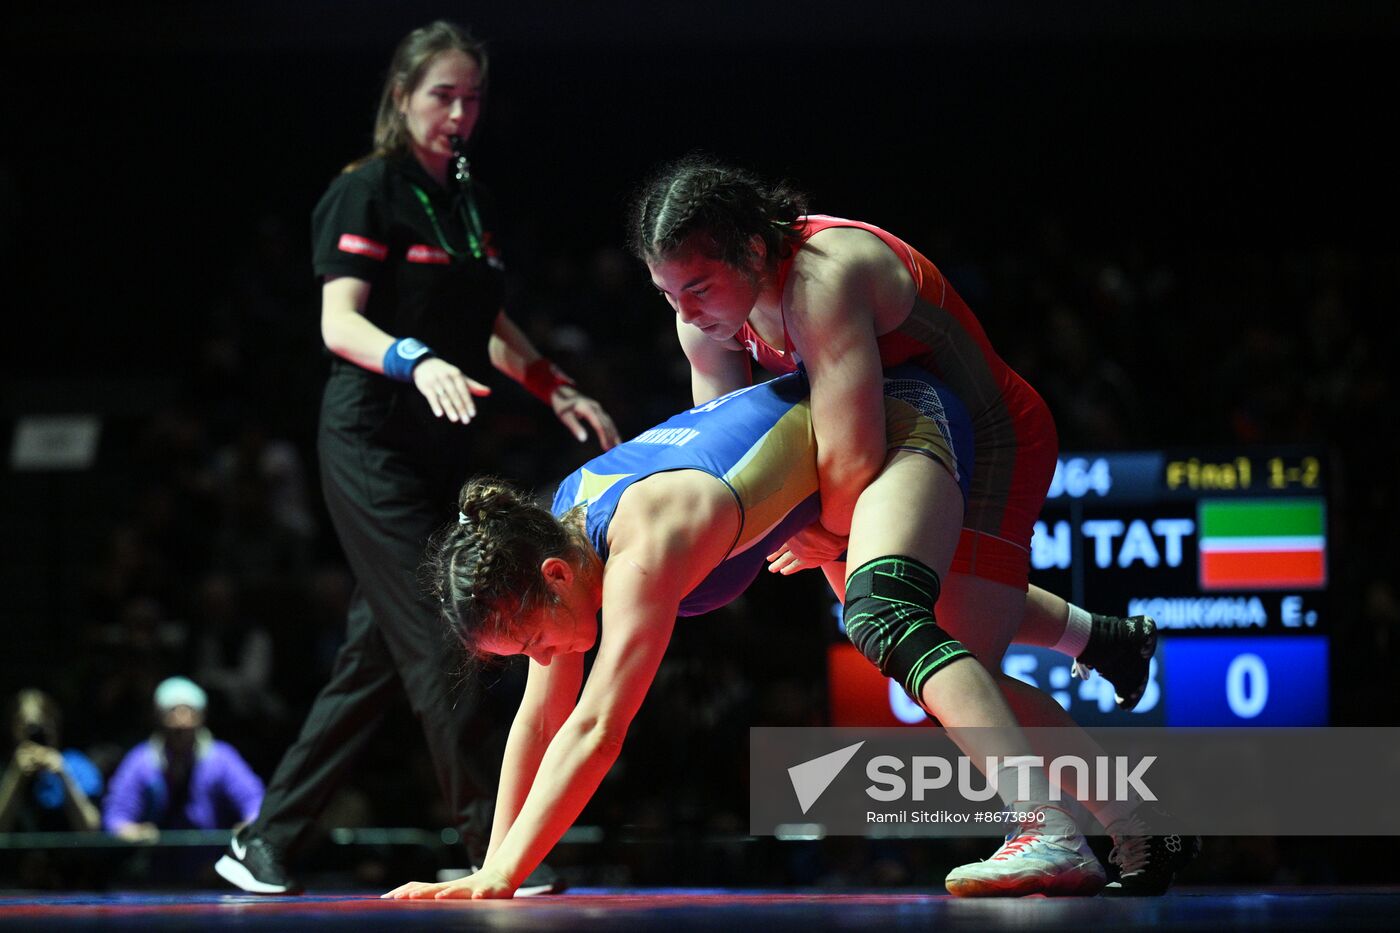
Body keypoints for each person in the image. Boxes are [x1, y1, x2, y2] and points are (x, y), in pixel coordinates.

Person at [627, 155, 1195, 895]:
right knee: (930, 648)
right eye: (666, 292)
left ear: (754, 249)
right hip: (901, 438)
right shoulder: (704, 323)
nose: (686, 310)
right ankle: (1127, 761)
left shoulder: (825, 275)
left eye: (698, 287)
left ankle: (1055, 828)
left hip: (988, 438)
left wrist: (814, 533)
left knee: (936, 649)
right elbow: (735, 453)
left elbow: (853, 457)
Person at [385, 364, 1113, 900]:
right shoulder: (561, 535)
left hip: (888, 419)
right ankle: (1100, 645)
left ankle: (1052, 823)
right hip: (826, 471)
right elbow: (540, 717)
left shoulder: (644, 544)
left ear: (553, 575)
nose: (543, 659)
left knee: (896, 627)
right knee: (952, 623)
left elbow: (598, 726)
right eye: (528, 655)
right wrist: (493, 864)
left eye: (535, 641)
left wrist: (508, 873)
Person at [215, 20, 618, 897]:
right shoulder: (365, 191)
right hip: (369, 441)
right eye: (443, 94)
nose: (460, 113)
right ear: (402, 96)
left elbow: (490, 323)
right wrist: (417, 358)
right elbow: (340, 323)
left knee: (374, 654)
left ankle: (264, 839)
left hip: (442, 448)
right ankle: (493, 848)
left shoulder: (465, 202)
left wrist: (554, 386)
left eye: (472, 98)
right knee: (451, 634)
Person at [103, 677, 263, 839]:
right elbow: (115, 817)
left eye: (189, 712)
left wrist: (249, 825)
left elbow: (254, 801)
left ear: (202, 717)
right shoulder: (141, 760)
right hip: (157, 859)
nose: (181, 722)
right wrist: (131, 831)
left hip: (210, 858)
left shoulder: (221, 758)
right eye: (172, 712)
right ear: (158, 717)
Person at [0, 689, 102, 833]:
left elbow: (92, 830)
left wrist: (63, 774)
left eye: (43, 726)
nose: (36, 735)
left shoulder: (76, 765)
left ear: (55, 724)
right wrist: (16, 777)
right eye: (28, 728)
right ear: (12, 728)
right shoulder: (5, 771)